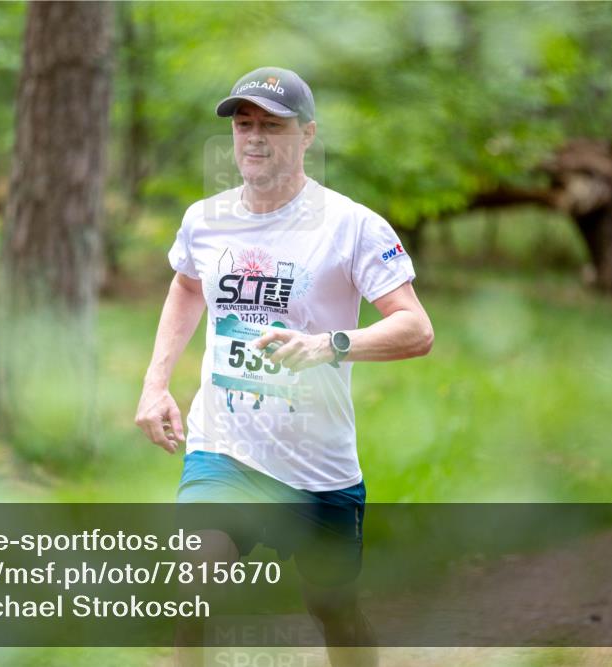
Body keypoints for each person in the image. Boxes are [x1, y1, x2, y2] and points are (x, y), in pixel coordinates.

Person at [135, 66, 434, 667]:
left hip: (316, 465)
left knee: (334, 611)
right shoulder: (205, 219)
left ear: (307, 135)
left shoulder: (351, 225)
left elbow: (417, 329)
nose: (253, 138)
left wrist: (331, 346)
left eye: (271, 125)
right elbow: (187, 286)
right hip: (224, 451)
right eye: (244, 124)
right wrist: (155, 384)